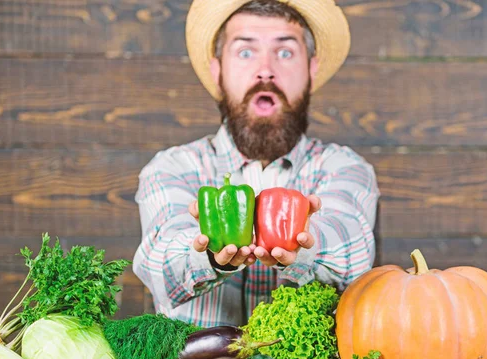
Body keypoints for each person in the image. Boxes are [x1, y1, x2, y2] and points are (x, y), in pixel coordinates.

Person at [133, 0, 380, 328]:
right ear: (217, 70)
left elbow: (356, 256)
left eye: (286, 52)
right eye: (246, 52)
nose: (266, 70)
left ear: (312, 69)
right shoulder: (172, 168)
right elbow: (157, 264)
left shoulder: (345, 168)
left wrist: (306, 243)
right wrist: (206, 253)